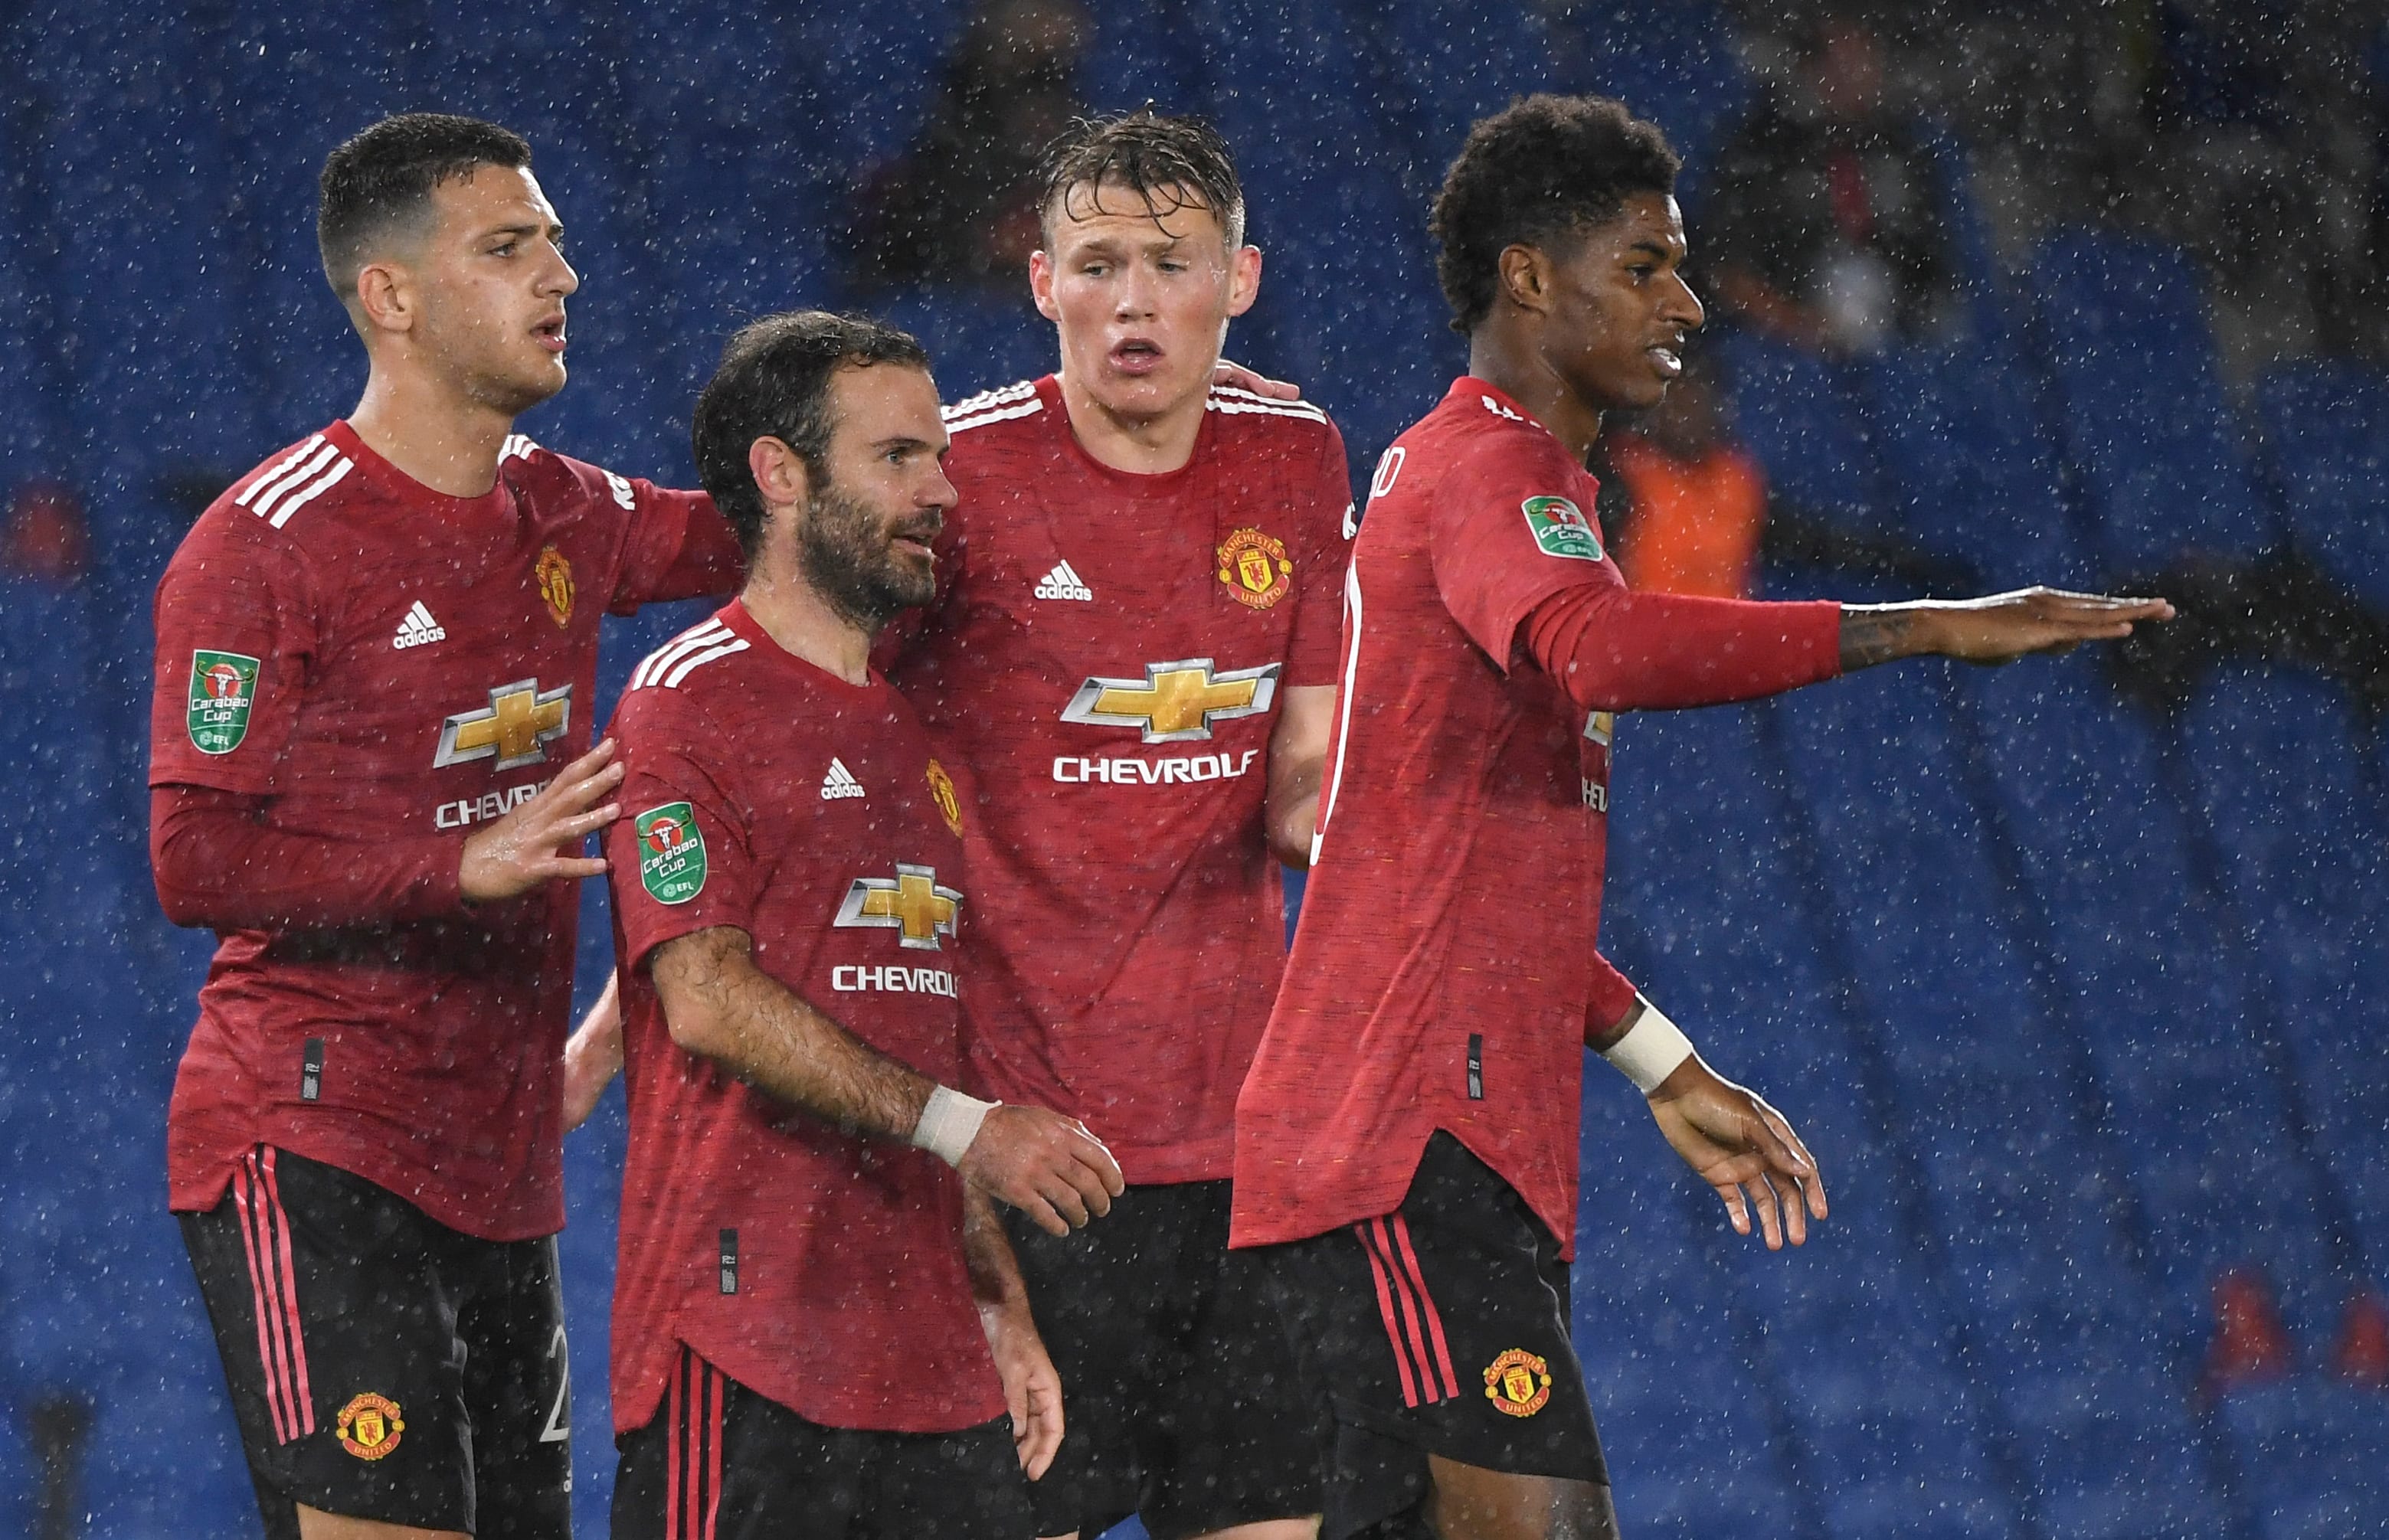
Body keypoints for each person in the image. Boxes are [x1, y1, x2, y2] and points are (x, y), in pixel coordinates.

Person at [1229, 94, 2174, 1540]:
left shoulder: (1503, 486)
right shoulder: (1490, 472)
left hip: (1422, 1139)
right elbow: (1601, 651)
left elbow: (1444, 878)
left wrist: (1661, 1063)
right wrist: (1924, 625)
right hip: (1402, 1144)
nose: (1686, 304)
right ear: (1528, 276)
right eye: (1645, 267)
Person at [147, 113, 742, 1540]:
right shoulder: (263, 545)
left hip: (502, 1157)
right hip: (317, 1140)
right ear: (392, 296)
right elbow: (192, 860)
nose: (563, 274)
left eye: (557, 241)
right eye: (509, 246)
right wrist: (454, 866)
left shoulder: (566, 509)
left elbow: (776, 524)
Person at [892, 110, 1346, 1540]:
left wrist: (1415, 842)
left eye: (1172, 263)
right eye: (1096, 266)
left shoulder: (1300, 459)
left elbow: (1305, 784)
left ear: (1241, 280)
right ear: (1043, 285)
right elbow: (817, 740)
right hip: (1025, 1153)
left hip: (1248, 1156)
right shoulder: (953, 481)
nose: (1133, 302)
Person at [603, 310, 1124, 1538]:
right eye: (896, 458)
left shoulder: (912, 732)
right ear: (780, 475)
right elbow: (706, 1000)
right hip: (746, 1347)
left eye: (938, 456)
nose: (941, 491)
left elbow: (923, 1046)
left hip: (934, 1366)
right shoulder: (689, 700)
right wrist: (974, 1131)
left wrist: (997, 1301)